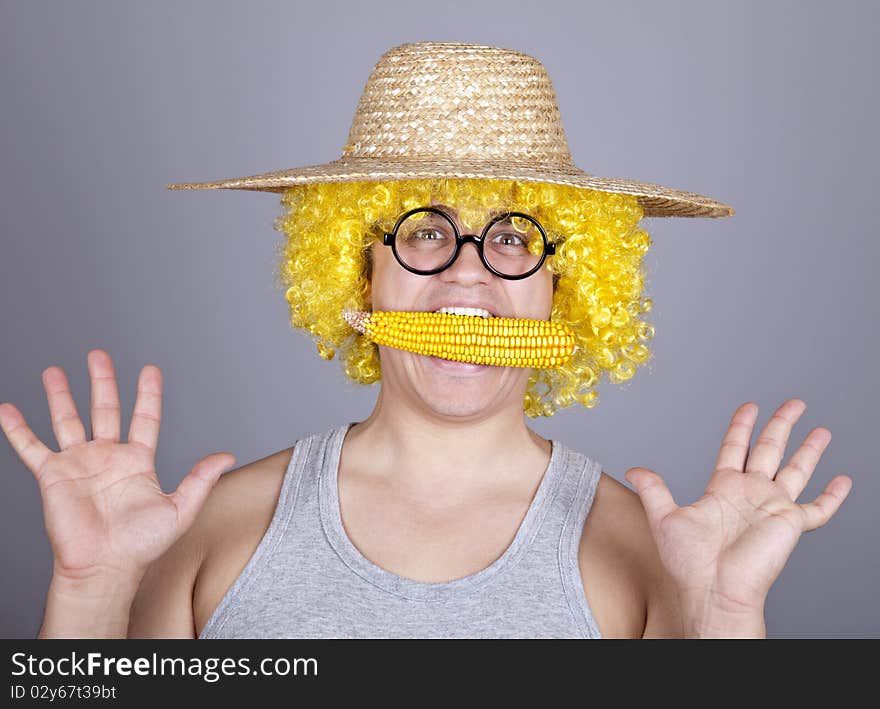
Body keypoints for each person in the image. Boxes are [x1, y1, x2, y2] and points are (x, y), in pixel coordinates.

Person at [0, 42, 852, 639]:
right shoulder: (214, 527)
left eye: (515, 237)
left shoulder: (652, 556)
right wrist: (93, 586)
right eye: (425, 231)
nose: (467, 277)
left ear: (571, 281)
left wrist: (725, 619)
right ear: (355, 269)